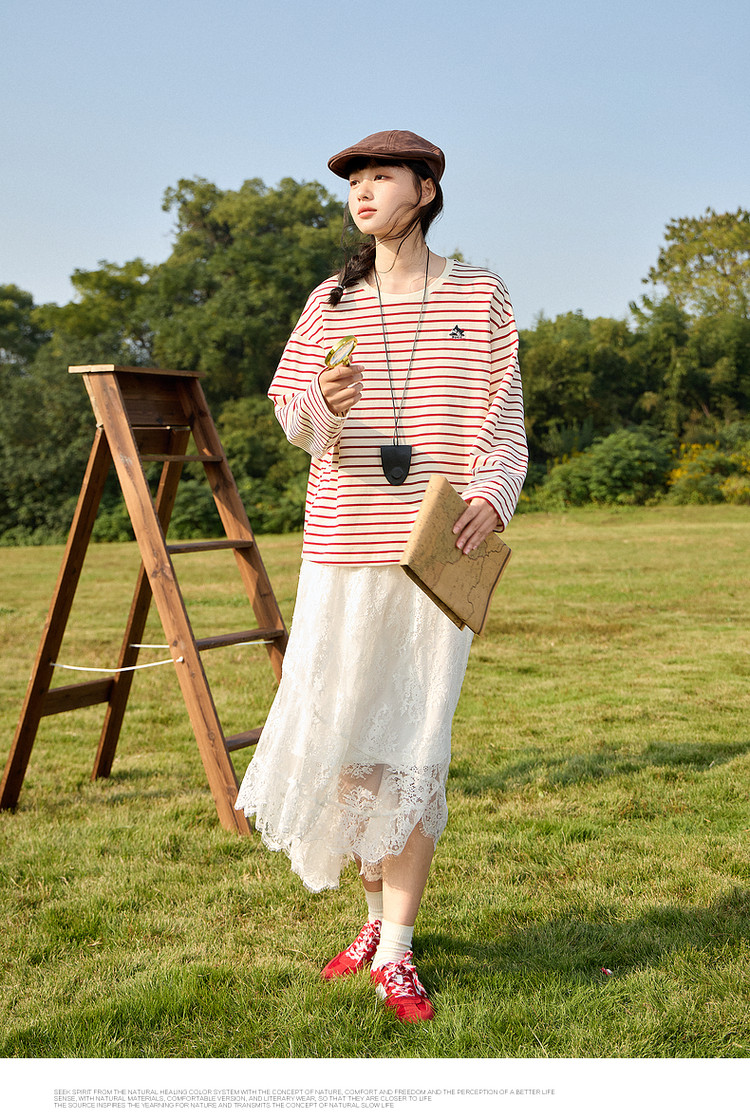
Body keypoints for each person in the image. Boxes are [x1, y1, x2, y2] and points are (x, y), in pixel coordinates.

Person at [235, 129, 527, 1023]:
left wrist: (492, 497)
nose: (362, 191)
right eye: (354, 179)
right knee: (353, 751)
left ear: (425, 190)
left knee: (415, 748)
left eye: (381, 176)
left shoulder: (480, 294)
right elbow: (291, 417)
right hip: (339, 551)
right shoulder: (330, 300)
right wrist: (325, 403)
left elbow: (504, 424)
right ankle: (370, 920)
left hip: (433, 557)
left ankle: (397, 951)